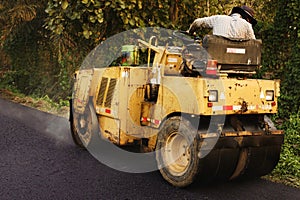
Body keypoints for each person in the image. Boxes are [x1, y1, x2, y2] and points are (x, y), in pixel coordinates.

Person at [187, 5, 257, 40]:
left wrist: (191, 32)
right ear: (247, 19)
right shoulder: (247, 25)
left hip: (215, 57)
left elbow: (197, 22)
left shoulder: (218, 18)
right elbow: (254, 44)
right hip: (239, 61)